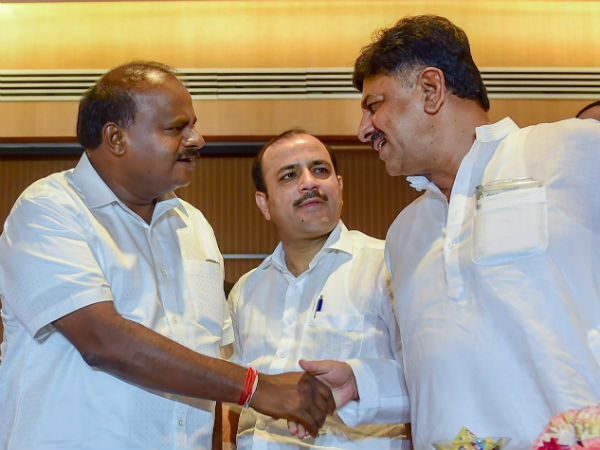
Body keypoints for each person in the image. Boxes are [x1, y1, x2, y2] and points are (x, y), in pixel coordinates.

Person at [0, 61, 334, 450]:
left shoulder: (194, 227)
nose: (197, 139)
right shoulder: (49, 209)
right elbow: (102, 340)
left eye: (193, 125)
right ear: (116, 138)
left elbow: (207, 363)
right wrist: (256, 388)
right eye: (176, 129)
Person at [346, 14, 599, 450]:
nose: (363, 129)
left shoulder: (570, 150)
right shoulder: (404, 235)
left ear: (431, 89)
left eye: (374, 104)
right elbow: (433, 371)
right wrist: (359, 382)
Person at [226, 129, 410, 449]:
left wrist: (357, 380)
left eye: (320, 170)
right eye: (289, 175)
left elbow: (430, 383)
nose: (309, 182)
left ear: (339, 187)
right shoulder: (247, 291)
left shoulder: (387, 267)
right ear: (264, 204)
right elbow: (236, 407)